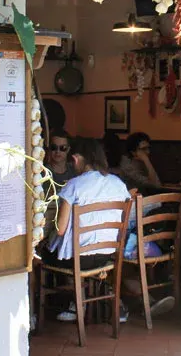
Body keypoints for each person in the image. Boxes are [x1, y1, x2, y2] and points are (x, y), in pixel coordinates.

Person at [41, 138, 132, 323]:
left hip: (79, 258)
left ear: (75, 159)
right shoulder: (118, 184)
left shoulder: (73, 185)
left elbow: (60, 230)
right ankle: (100, 303)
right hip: (109, 254)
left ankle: (71, 306)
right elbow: (126, 222)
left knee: (44, 253)